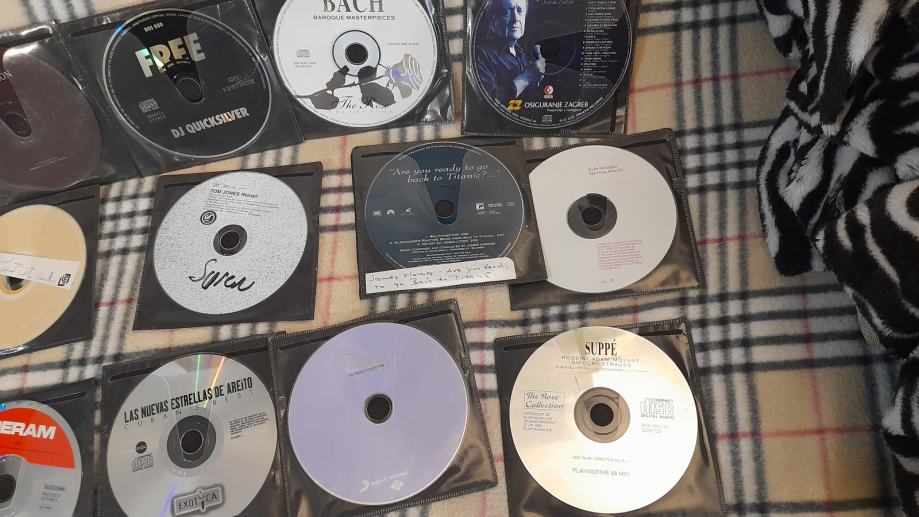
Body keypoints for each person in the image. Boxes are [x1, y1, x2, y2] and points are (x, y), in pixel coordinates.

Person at [474, 0, 546, 106]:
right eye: (506, 12)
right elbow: (489, 105)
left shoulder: (522, 55)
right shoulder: (479, 55)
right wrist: (527, 77)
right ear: (492, 19)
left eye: (520, 11)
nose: (516, 18)